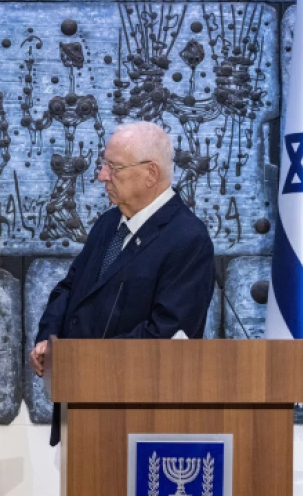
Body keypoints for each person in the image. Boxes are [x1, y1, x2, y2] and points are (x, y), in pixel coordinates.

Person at [28, 121, 215, 445]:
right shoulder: (109, 223)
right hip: (81, 410)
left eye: (113, 168)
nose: (101, 176)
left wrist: (81, 360)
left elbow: (167, 336)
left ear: (151, 174)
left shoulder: (188, 239)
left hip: (138, 425)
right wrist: (50, 341)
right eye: (105, 165)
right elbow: (70, 289)